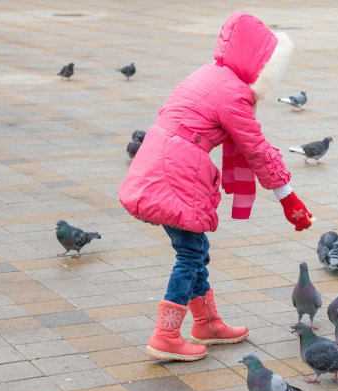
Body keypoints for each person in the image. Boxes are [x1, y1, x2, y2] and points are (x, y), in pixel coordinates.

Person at [118, 10, 312, 361]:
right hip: (174, 170)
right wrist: (288, 198)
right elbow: (257, 149)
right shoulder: (233, 94)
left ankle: (207, 324)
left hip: (160, 160)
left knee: (196, 248)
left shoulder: (211, 75)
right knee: (190, 253)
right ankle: (165, 335)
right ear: (259, 64)